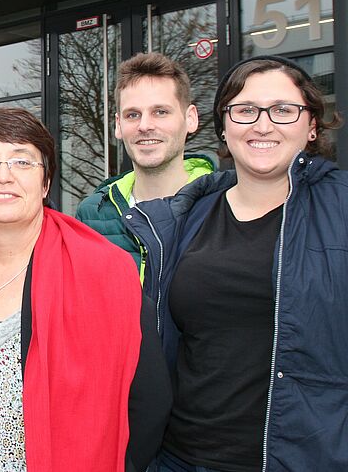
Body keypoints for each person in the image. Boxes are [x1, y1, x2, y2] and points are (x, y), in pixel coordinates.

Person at [124, 55, 348, 471]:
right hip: (180, 459)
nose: (263, 125)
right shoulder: (184, 217)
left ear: (312, 125)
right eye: (245, 111)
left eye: (283, 110)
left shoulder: (341, 209)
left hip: (301, 459)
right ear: (224, 127)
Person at [0, 108, 171, 472]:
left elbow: (149, 401)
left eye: (22, 161)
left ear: (46, 181)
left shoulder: (105, 271)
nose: (2, 176)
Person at [77, 52, 213, 270]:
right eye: (133, 115)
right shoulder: (93, 214)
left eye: (160, 112)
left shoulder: (222, 203)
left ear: (190, 119)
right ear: (118, 125)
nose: (145, 125)